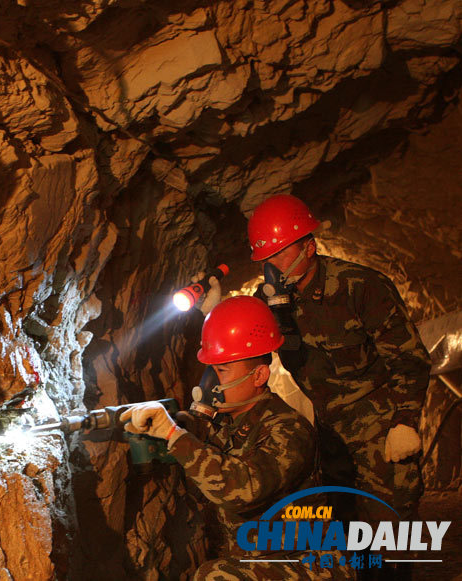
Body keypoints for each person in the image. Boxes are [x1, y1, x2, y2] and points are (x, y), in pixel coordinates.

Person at [123, 296, 344, 580]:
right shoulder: (229, 421)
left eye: (222, 371)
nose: (212, 382)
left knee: (214, 576)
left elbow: (241, 488)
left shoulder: (289, 429)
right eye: (211, 370)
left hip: (310, 564)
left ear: (259, 376)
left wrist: (172, 434)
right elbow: (202, 441)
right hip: (263, 561)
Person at [245, 193, 430, 530]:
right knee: (344, 532)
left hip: (381, 430)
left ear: (309, 246)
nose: (272, 266)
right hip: (331, 437)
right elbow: (245, 360)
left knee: (391, 532)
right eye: (265, 258)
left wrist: (406, 422)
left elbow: (409, 359)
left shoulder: (360, 287)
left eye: (280, 253)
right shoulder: (268, 302)